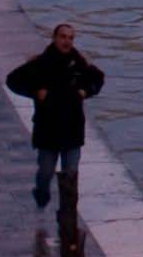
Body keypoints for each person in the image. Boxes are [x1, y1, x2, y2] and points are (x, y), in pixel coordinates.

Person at [6, 22, 106, 211]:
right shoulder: (41, 63)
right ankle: (41, 192)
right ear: (54, 38)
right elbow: (13, 80)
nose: (67, 41)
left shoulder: (78, 63)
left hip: (72, 130)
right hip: (48, 131)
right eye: (63, 37)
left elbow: (98, 78)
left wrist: (86, 91)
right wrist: (36, 92)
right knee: (46, 172)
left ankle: (68, 220)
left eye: (70, 38)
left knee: (70, 176)